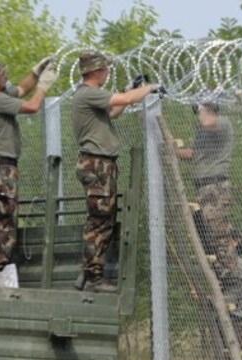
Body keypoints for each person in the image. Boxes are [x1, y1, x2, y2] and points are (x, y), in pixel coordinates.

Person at [176, 102, 242, 360]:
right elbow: (197, 146)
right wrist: (180, 152)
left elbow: (208, 122)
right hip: (204, 186)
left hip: (234, 323)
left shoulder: (220, 124)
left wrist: (204, 106)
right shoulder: (204, 131)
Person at [71, 51, 161, 293]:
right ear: (95, 71)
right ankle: (93, 278)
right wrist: (151, 88)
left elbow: (114, 111)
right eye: (105, 69)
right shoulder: (88, 94)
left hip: (100, 165)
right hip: (96, 164)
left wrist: (129, 88)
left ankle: (88, 273)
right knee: (100, 221)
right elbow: (127, 100)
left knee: (102, 219)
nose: (107, 72)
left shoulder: (89, 96)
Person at [0, 57, 58, 271]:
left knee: (4, 216)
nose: (7, 77)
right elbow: (32, 106)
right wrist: (44, 86)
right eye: (3, 75)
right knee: (3, 218)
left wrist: (36, 72)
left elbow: (21, 89)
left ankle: (0, 265)